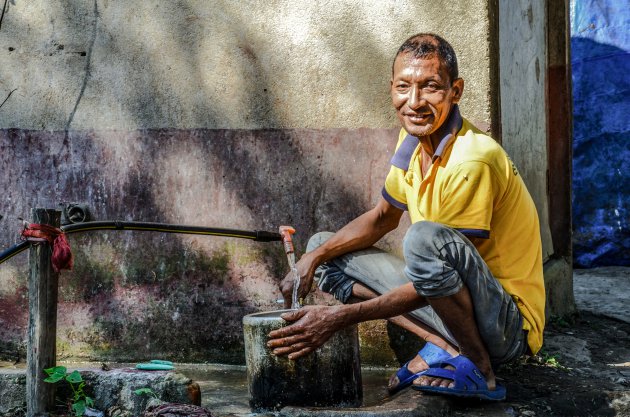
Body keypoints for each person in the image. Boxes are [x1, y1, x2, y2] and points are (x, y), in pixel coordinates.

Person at [267, 33, 545, 402]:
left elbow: (442, 277)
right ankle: (447, 347)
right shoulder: (414, 139)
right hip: (456, 309)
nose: (414, 102)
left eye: (430, 87)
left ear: (455, 91)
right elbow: (382, 218)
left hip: (504, 327)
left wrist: (339, 318)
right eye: (403, 87)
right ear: (392, 88)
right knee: (323, 250)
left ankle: (481, 368)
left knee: (424, 239)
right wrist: (310, 260)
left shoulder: (472, 160)